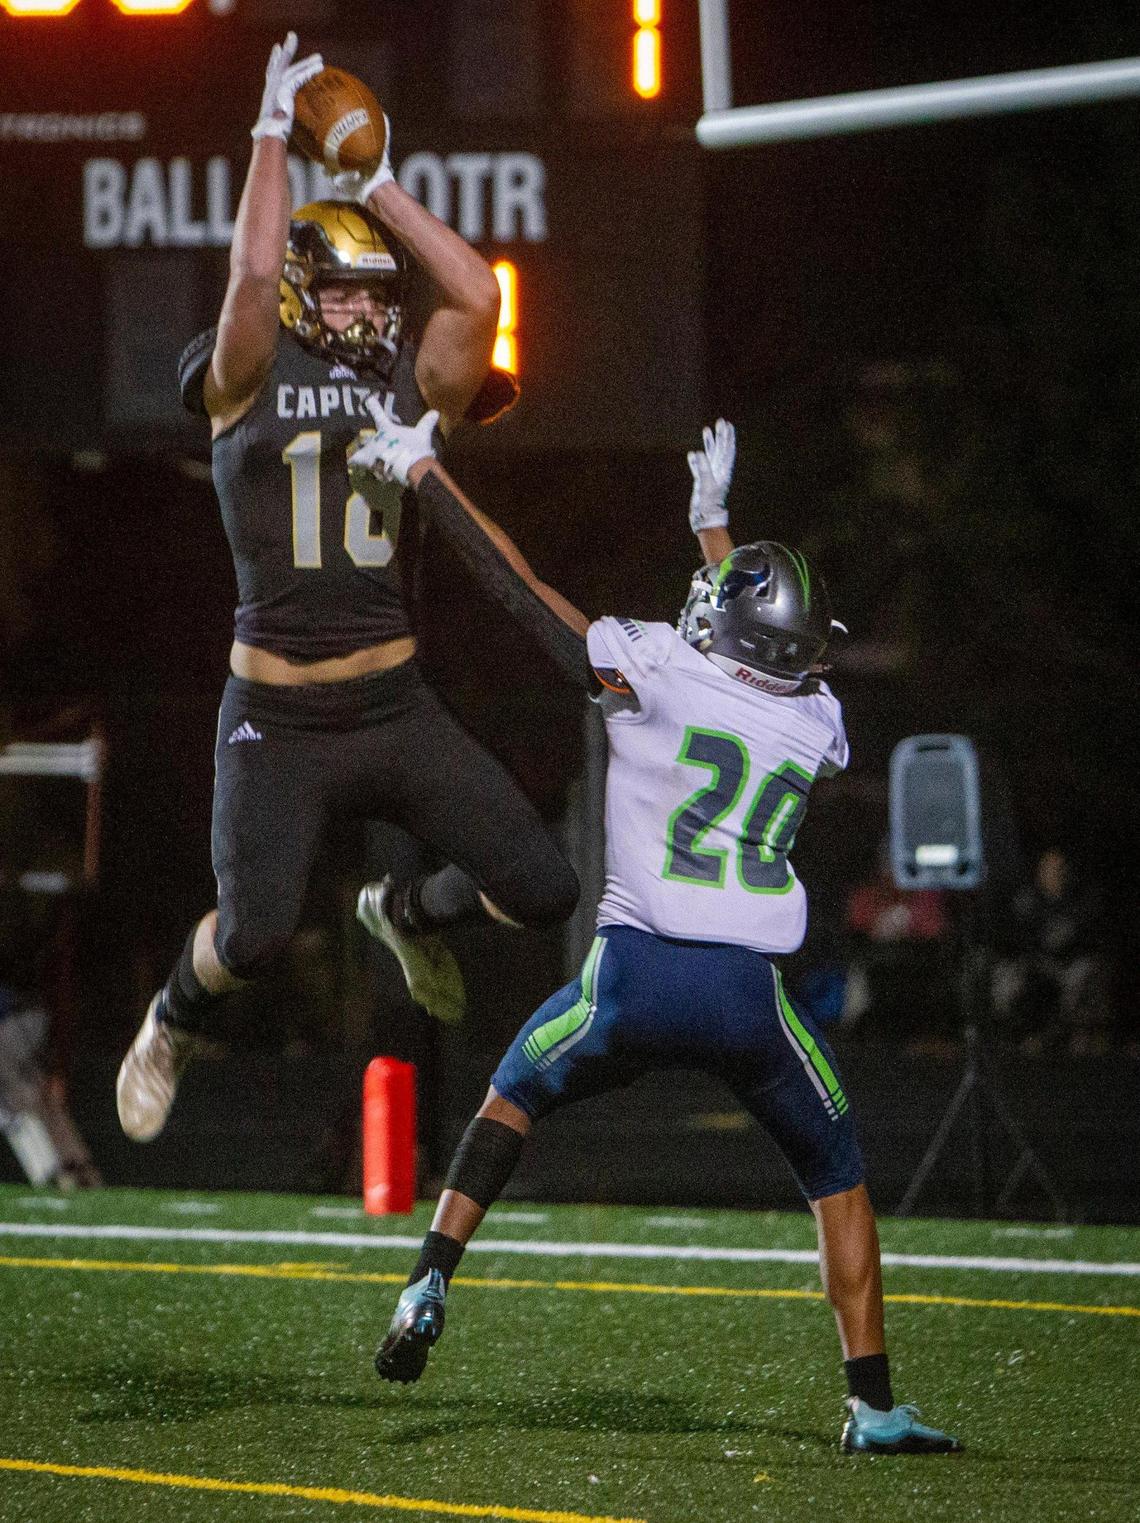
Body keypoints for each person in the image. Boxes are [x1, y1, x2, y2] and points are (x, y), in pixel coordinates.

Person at [346, 407, 962, 1456]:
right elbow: (758, 652)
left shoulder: (654, 668)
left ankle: (427, 1282)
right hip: (747, 999)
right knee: (838, 1175)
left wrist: (427, 471)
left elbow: (520, 587)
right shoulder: (815, 719)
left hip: (630, 975)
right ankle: (871, 1402)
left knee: (514, 1091)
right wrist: (717, 528)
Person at [116, 36, 578, 1144]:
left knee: (545, 888)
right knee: (257, 931)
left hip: (392, 703)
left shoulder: (409, 377)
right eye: (348, 293)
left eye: (379, 297)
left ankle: (406, 910)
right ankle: (169, 1019)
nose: (372, 314)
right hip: (276, 713)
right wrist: (271, 137)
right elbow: (240, 280)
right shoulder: (242, 374)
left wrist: (372, 183)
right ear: (295, 289)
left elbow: (473, 289)